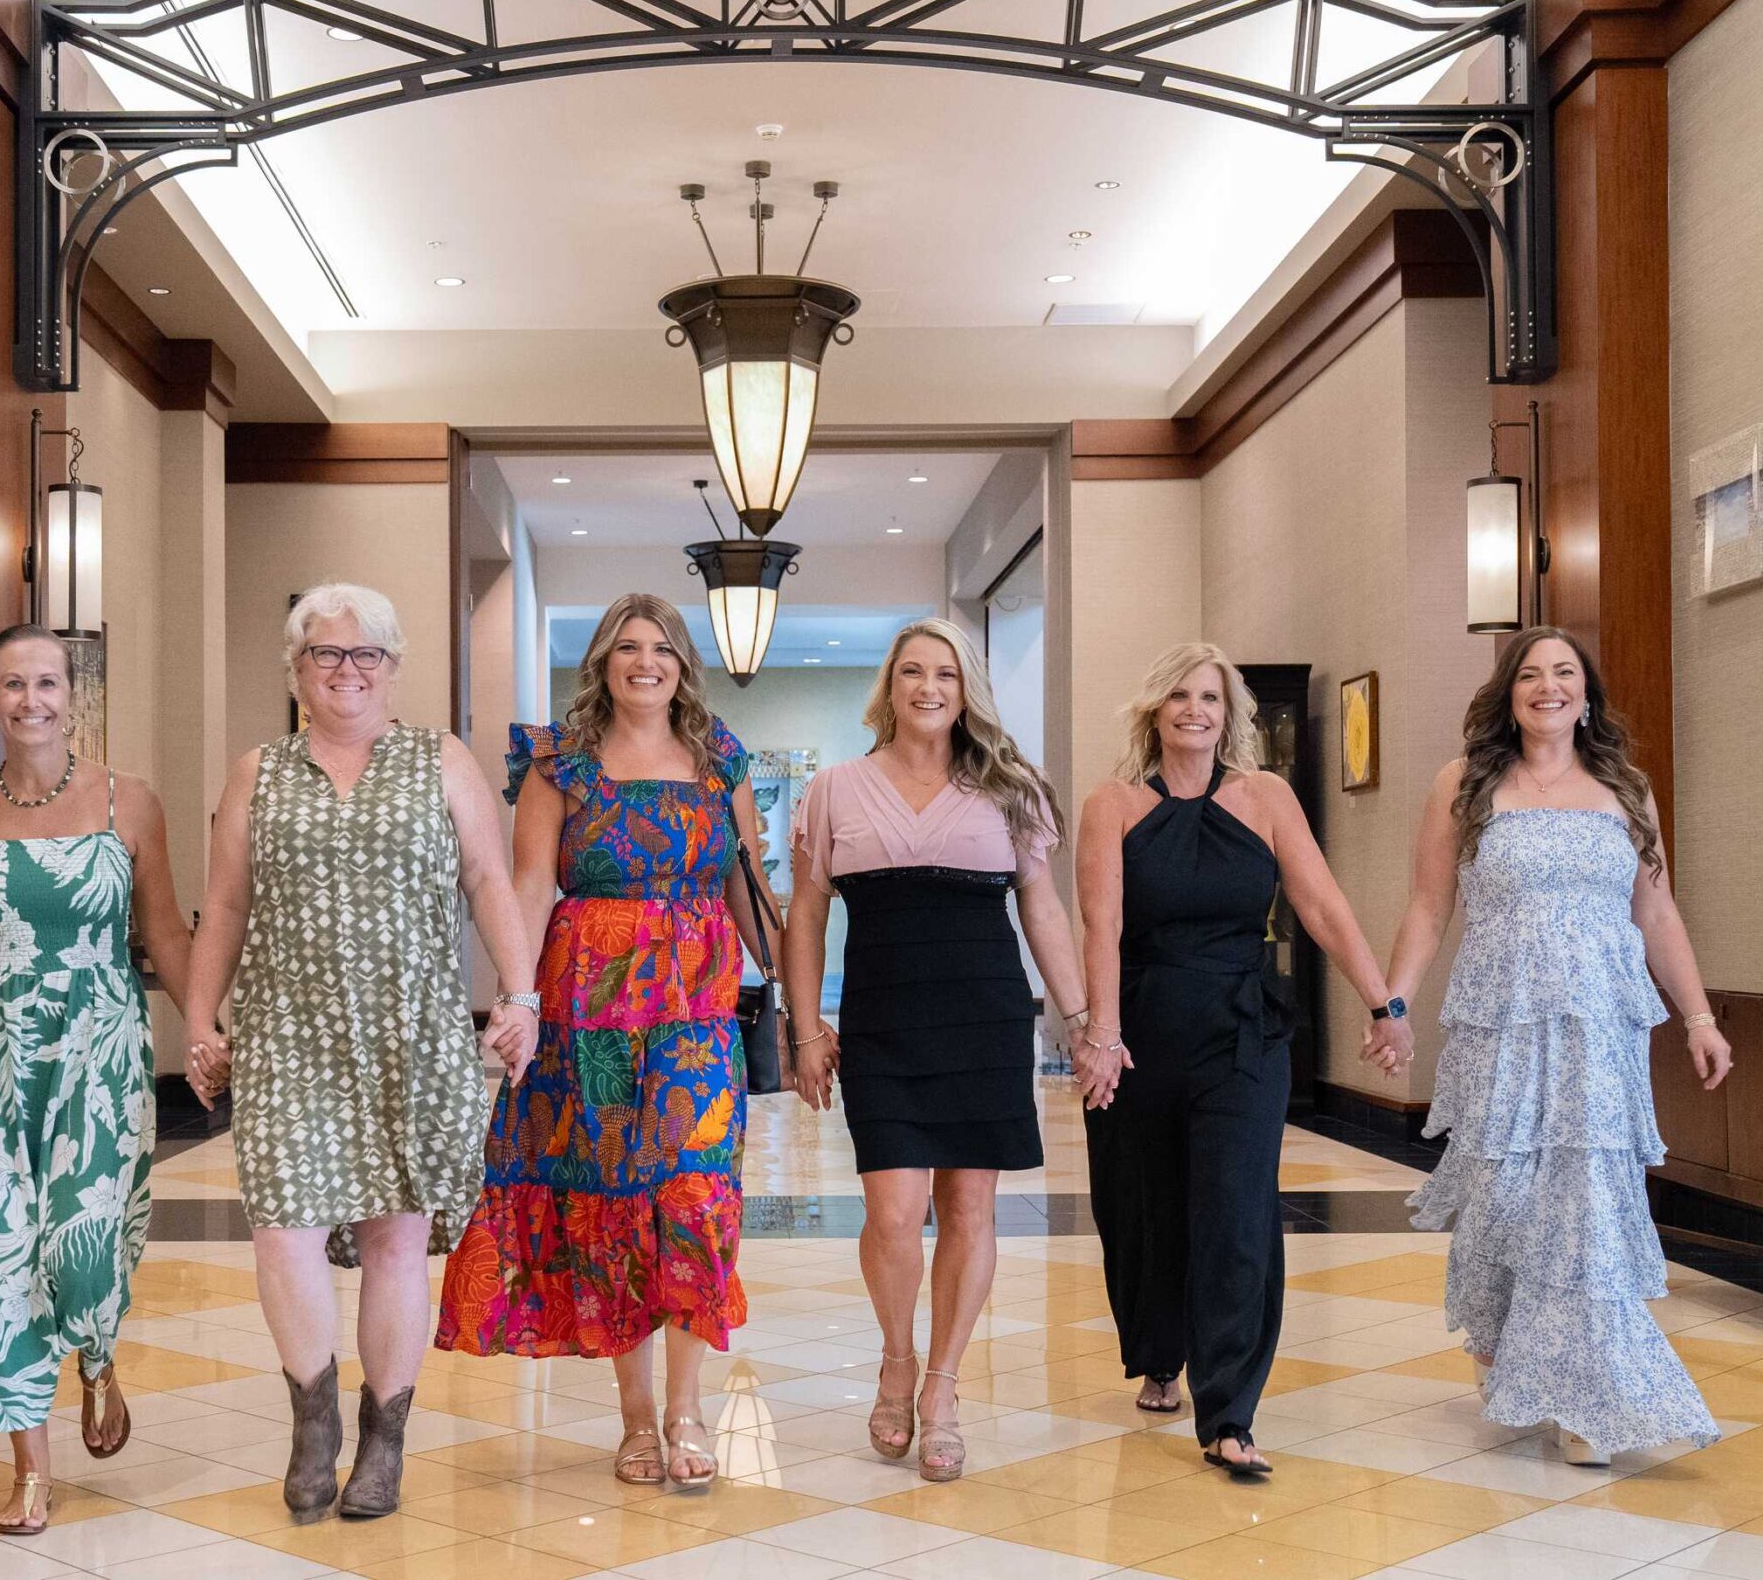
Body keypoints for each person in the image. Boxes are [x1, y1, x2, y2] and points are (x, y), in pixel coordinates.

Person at [184, 583, 538, 1521]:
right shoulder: (258, 772)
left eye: (365, 653)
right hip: (286, 1033)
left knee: (395, 1237)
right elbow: (226, 901)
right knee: (283, 1229)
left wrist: (521, 994)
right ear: (296, 671)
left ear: (393, 665)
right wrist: (200, 1017)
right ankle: (313, 1424)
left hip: (410, 1034)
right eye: (326, 654)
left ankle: (385, 1436)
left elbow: (488, 879)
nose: (347, 670)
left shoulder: (440, 759)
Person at [436, 593, 774, 1494]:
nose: (645, 661)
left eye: (662, 647)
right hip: (590, 1015)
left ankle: (687, 1408)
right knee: (617, 1202)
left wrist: (792, 988)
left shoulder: (721, 758)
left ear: (683, 665)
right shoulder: (560, 762)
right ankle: (635, 1417)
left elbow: (745, 887)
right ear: (603, 662)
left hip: (698, 1014)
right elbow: (528, 885)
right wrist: (515, 999)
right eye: (627, 647)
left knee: (698, 1199)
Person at [1383, 626, 1729, 1466]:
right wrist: (1393, 1004)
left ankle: (1584, 1400)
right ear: (1509, 694)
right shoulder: (1464, 785)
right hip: (1501, 1029)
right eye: (1531, 674)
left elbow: (1656, 912)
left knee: (1585, 1210)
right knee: (1502, 1197)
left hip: (1599, 1035)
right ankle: (1506, 1346)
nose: (1549, 686)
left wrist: (1699, 1017)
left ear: (1587, 695)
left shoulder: (1627, 790)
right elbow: (1429, 905)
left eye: (1565, 672)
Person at [1073, 643, 1411, 1478]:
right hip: (1143, 1032)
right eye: (1180, 696)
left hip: (1242, 1031)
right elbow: (1101, 926)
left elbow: (1321, 903)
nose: (1195, 710)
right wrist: (1104, 1036)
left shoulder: (1266, 798)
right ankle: (1160, 1354)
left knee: (1235, 1212)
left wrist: (1384, 1003)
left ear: (1230, 715)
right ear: (1155, 710)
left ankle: (1229, 1410)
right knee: (1145, 1206)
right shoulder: (1112, 803)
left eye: (1211, 698)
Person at [0, 625, 196, 1535]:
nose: (32, 700)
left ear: (73, 696)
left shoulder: (129, 802)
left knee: (82, 1240)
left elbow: (165, 932)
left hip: (97, 1050)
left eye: (48, 683)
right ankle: (30, 1466)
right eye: (14, 684)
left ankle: (95, 1353)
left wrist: (206, 1025)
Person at [779, 619, 1090, 1483]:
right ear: (890, 685)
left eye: (945, 674)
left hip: (983, 1019)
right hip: (883, 1021)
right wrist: (805, 1028)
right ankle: (896, 1358)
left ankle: (942, 1387)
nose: (928, 686)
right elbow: (805, 912)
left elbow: (1043, 909)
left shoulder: (1011, 788)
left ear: (966, 689)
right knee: (891, 1211)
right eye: (912, 670)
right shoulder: (835, 790)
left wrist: (1081, 1018)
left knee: (970, 1208)